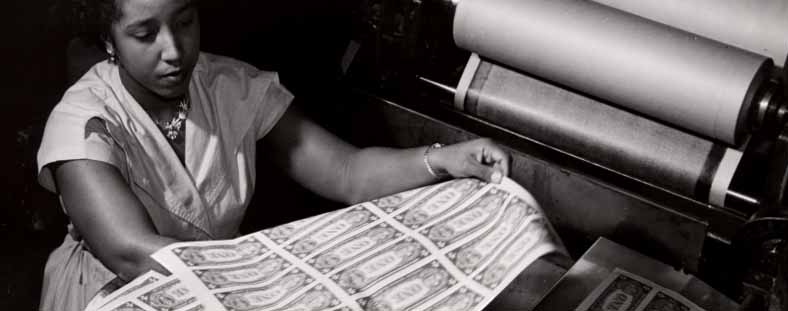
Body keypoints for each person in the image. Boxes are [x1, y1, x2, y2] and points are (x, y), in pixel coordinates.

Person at [36, 0, 511, 310]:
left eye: (184, 22)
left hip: (221, 284)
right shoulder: (84, 118)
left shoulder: (229, 86)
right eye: (145, 34)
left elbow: (347, 172)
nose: (174, 50)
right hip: (115, 292)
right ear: (109, 43)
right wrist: (265, 281)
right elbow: (129, 251)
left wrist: (442, 159)